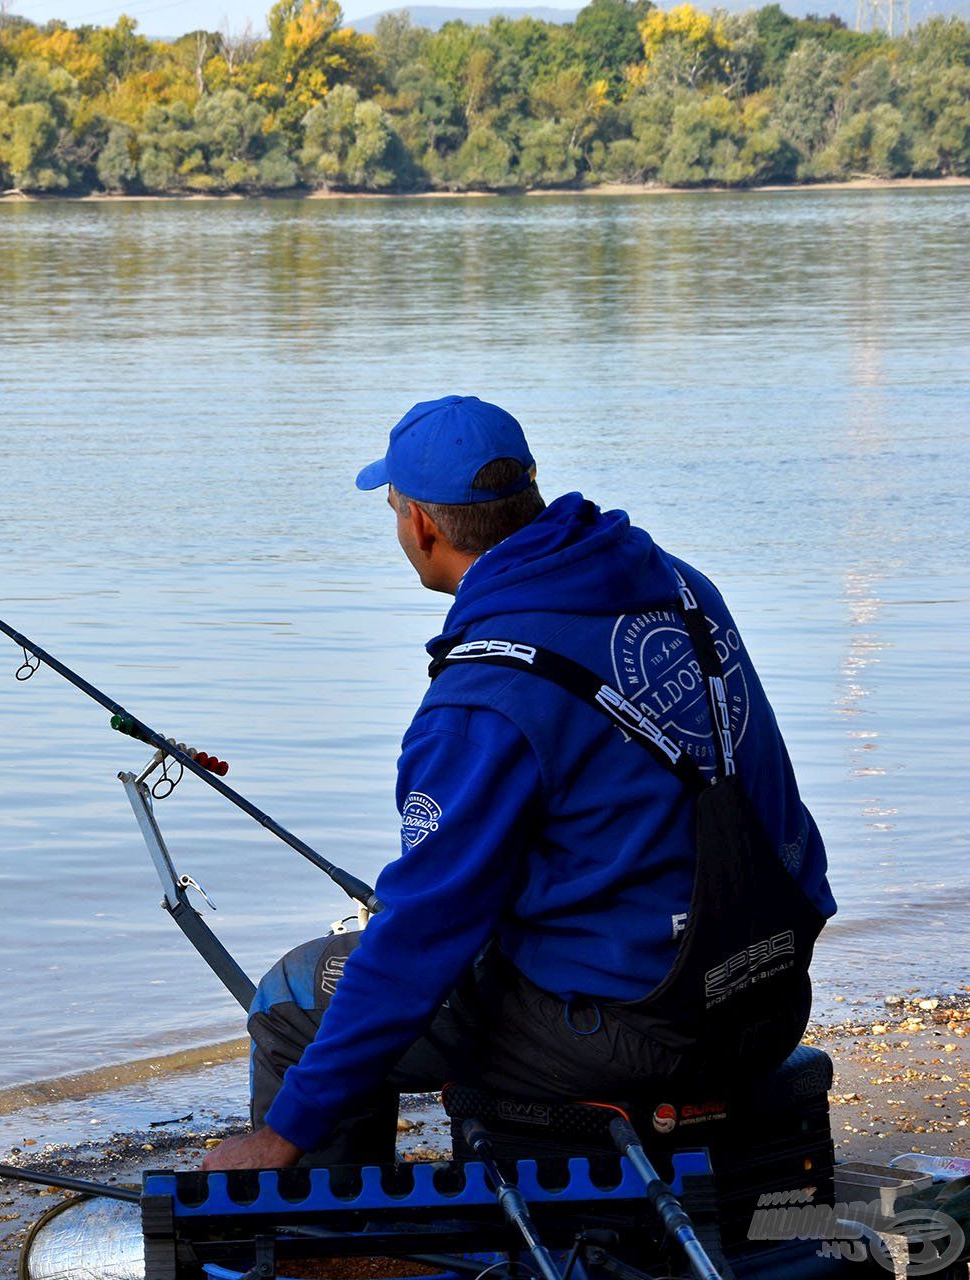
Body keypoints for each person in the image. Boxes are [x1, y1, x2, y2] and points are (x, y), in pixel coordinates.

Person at [203, 395, 837, 1172]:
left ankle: (325, 1245)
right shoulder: (679, 588)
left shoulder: (484, 697)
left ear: (422, 528)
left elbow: (418, 943)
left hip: (642, 1033)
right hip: (769, 993)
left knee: (298, 996)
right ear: (528, 489)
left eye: (396, 507)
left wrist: (283, 1133)